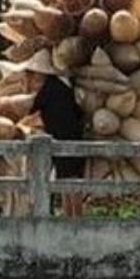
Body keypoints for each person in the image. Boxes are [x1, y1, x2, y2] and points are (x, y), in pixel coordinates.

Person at [31, 72, 86, 217]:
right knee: (68, 179)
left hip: (71, 138)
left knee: (69, 179)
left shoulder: (70, 84)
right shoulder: (52, 86)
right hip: (64, 138)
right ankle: (73, 218)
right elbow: (33, 107)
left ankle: (73, 218)